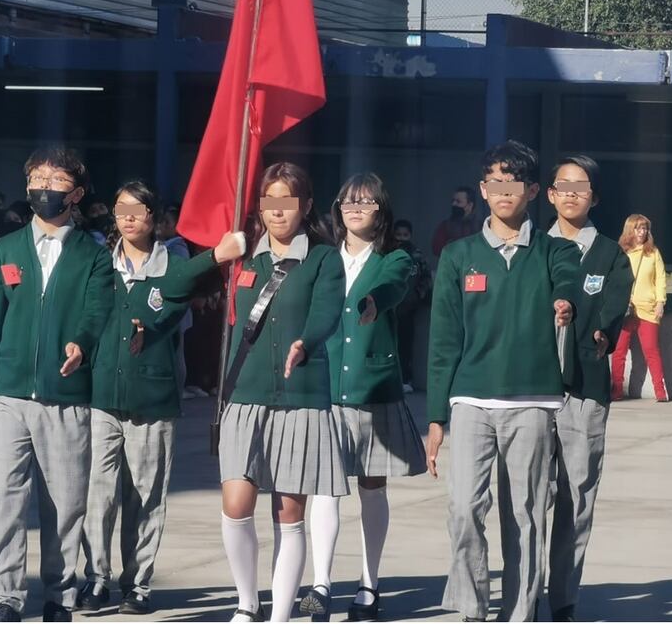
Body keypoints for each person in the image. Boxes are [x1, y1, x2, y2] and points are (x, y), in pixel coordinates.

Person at [426, 140, 579, 622]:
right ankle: (473, 608)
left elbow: (568, 283)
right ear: (482, 189)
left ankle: (520, 612)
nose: (502, 191)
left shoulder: (555, 251)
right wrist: (435, 417)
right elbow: (443, 340)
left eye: (513, 182)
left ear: (533, 190)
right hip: (470, 400)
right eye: (494, 182)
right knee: (463, 508)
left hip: (532, 401)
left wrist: (565, 304)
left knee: (526, 517)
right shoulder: (458, 255)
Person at [78, 181, 244, 616]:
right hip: (101, 397)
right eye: (120, 209)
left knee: (145, 495)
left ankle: (138, 583)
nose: (129, 216)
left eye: (137, 209)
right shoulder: (102, 263)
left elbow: (176, 293)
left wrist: (218, 254)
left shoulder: (172, 263)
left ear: (153, 217)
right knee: (98, 493)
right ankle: (96, 578)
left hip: (152, 398)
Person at [0, 145, 115, 623]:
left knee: (65, 502)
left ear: (77, 193)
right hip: (8, 396)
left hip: (67, 398)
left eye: (56, 181)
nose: (45, 188)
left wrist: (81, 344)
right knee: (4, 495)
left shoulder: (93, 255)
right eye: (38, 179)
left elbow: (98, 311)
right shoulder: (5, 251)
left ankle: (60, 594)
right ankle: (4, 598)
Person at [210, 162, 346, 623]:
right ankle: (247, 604)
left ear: (306, 206)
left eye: (287, 202)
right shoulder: (243, 256)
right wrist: (215, 254)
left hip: (300, 401)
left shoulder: (325, 259)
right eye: (269, 202)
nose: (277, 212)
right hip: (244, 396)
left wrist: (305, 342)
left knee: (290, 514)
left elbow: (328, 311)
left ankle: (280, 615)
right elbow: (177, 287)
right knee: (236, 505)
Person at [301, 173, 427, 621]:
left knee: (372, 488)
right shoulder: (320, 258)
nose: (355, 208)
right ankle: (320, 584)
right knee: (324, 490)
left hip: (375, 389)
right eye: (348, 201)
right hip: (324, 389)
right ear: (337, 209)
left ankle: (369, 586)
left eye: (366, 201)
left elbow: (393, 286)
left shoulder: (397, 257)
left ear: (381, 210)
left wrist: (373, 298)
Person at [544, 155, 634, 622]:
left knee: (576, 494)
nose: (573, 193)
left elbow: (613, 306)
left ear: (594, 197)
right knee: (528, 495)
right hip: (532, 391)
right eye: (565, 185)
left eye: (583, 187)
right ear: (550, 194)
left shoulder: (610, 255)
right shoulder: (533, 248)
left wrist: (601, 330)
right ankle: (521, 589)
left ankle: (562, 596)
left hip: (585, 390)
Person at [611, 214, 669, 403]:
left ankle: (661, 391)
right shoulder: (621, 252)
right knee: (619, 351)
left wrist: (660, 302)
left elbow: (660, 278)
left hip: (648, 307)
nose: (642, 232)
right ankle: (617, 390)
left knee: (651, 350)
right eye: (638, 228)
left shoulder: (653, 253)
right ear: (630, 230)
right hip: (625, 308)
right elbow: (613, 279)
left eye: (645, 228)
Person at [392, 219, 431, 393]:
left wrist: (417, 297)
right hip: (389, 309)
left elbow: (425, 278)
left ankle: (406, 379)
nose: (401, 238)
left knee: (406, 345)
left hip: (408, 309)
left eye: (405, 235)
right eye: (398, 235)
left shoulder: (417, 255)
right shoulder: (387, 254)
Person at [431, 186, 482, 257]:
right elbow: (437, 249)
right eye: (453, 201)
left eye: (458, 201)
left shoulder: (481, 227)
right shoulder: (445, 226)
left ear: (470, 205)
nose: (454, 204)